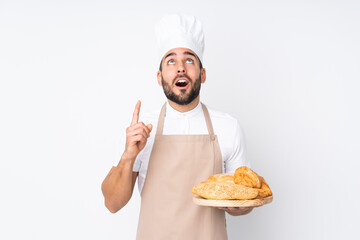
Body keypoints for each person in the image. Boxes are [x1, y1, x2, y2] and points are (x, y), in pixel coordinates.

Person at [101, 14, 255, 239]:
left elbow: (245, 201)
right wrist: (128, 156)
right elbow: (112, 203)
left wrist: (238, 205)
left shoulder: (228, 127)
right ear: (159, 76)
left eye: (189, 59)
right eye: (171, 61)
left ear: (202, 75)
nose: (180, 68)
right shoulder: (141, 130)